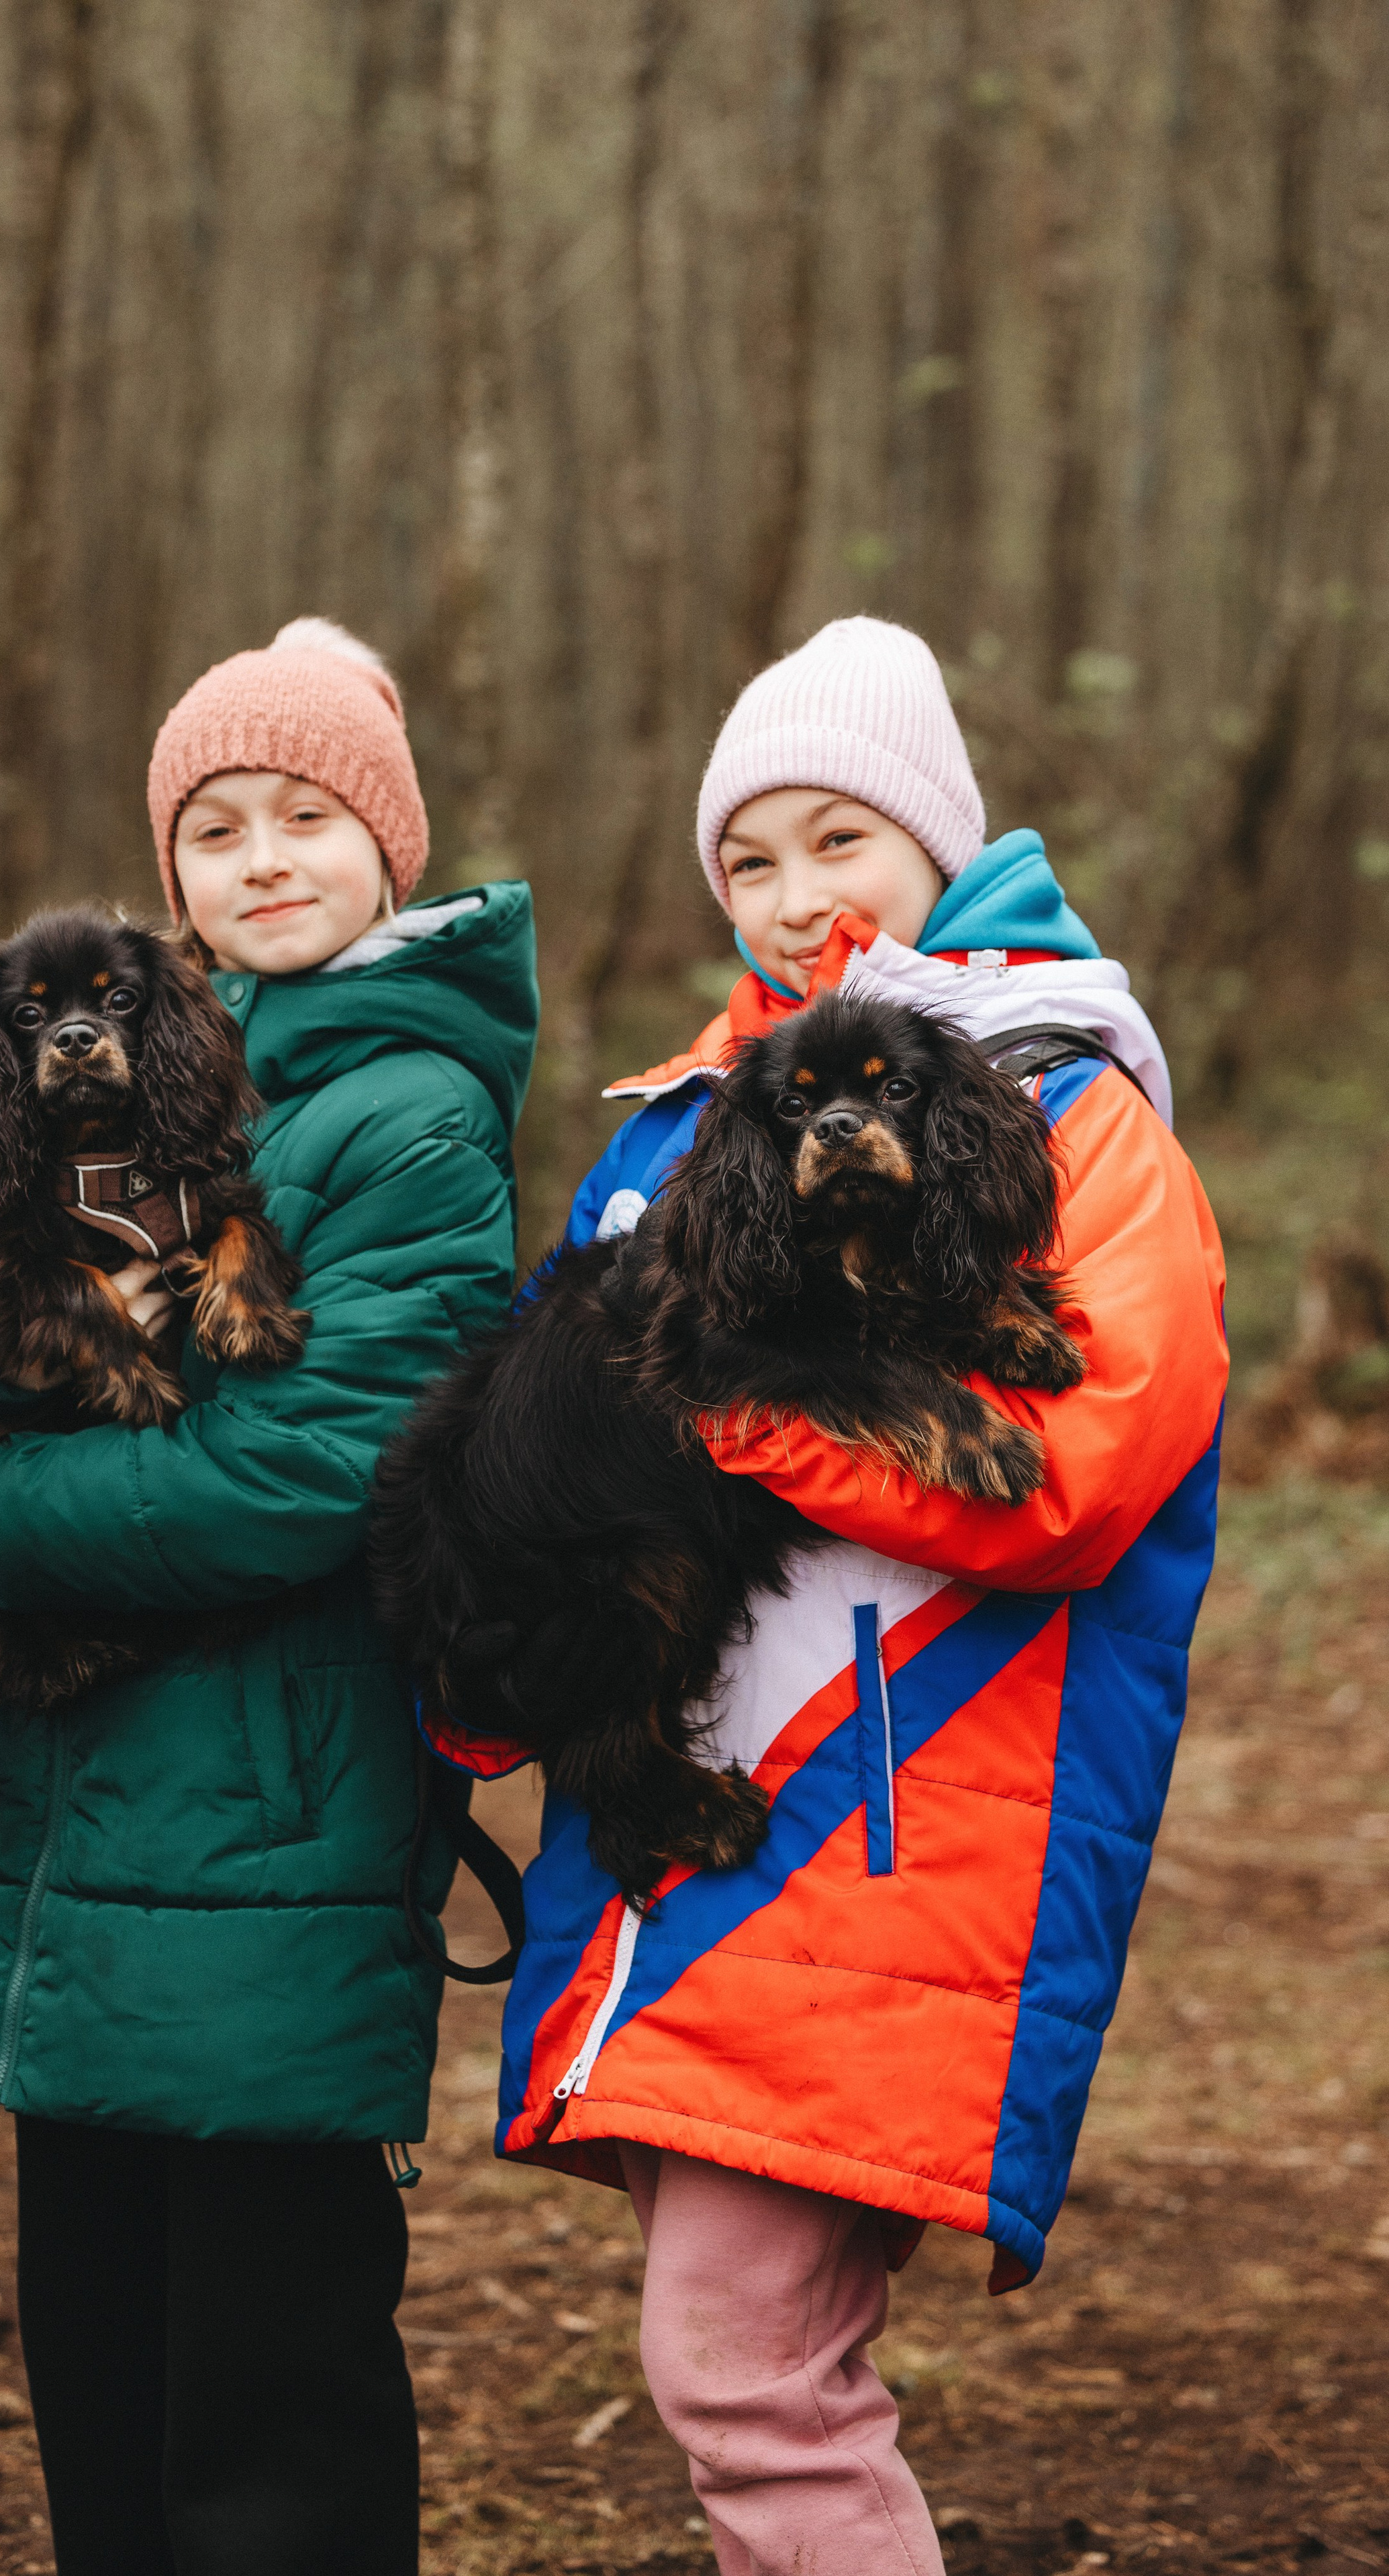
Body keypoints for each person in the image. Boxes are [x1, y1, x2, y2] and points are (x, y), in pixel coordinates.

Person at [425, 618, 1227, 2575]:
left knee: (746, 2380)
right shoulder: (687, 1120)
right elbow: (548, 1428)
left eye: (839, 841)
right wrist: (491, 1664)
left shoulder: (1074, 1108)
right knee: (742, 2375)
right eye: (750, 863)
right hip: (688, 1824)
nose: (796, 902)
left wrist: (717, 1406)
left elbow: (1075, 1479)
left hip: (895, 1825)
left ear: (938, 842)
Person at [0, 619, 539, 2576]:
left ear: (389, 844)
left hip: (278, 1846)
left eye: (307, 817)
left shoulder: (411, 1119)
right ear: (171, 869)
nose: (265, 857)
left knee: (272, 2423)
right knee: (101, 2390)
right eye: (218, 827)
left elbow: (327, 1468)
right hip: (54, 1836)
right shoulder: (84, 1052)